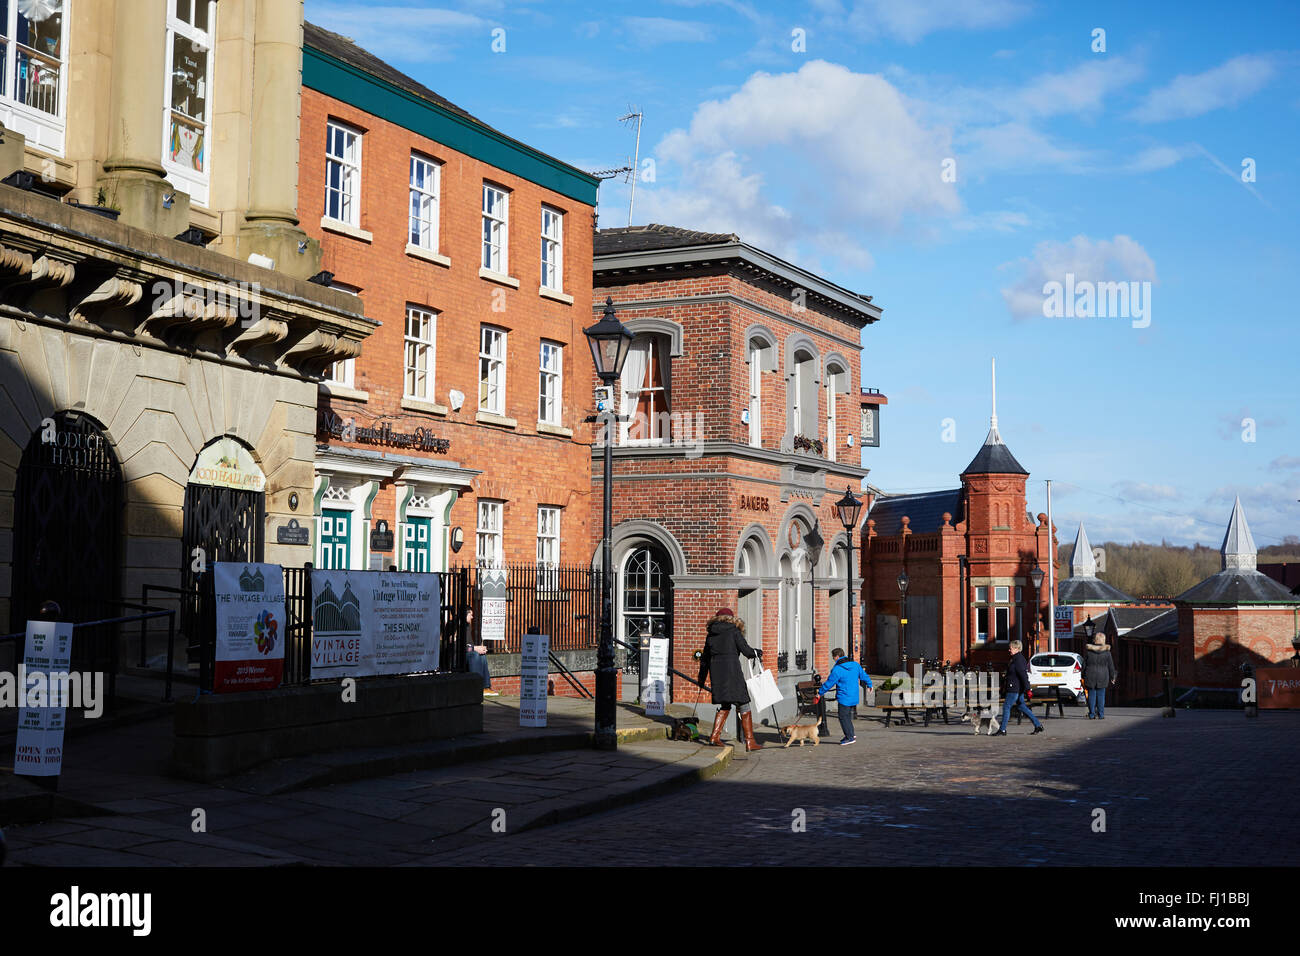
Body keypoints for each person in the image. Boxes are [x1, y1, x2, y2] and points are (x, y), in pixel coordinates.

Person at [697, 607, 764, 751]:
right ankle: (750, 741)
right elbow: (746, 651)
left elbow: (705, 659)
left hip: (717, 674)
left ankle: (714, 736)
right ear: (731, 618)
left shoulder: (711, 634)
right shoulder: (734, 631)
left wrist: (701, 678)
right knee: (744, 703)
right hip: (732, 672)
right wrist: (757, 652)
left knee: (725, 704)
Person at [815, 649, 873, 745]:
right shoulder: (855, 665)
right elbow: (864, 676)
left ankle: (849, 737)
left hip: (844, 696)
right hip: (854, 695)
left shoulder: (837, 669)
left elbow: (829, 683)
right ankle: (851, 734)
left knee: (842, 716)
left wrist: (820, 692)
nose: (833, 659)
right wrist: (870, 685)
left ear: (837, 656)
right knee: (846, 716)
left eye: (833, 657)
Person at [997, 639, 1044, 735]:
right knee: (1022, 706)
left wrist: (1028, 689)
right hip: (1017, 687)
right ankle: (1038, 725)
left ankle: (1002, 729)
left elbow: (1023, 674)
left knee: (1006, 706)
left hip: (1014, 688)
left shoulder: (1018, 660)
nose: (1009, 650)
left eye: (1010, 648)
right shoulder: (1016, 658)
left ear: (1016, 648)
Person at [462, 607, 497, 697]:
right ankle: (477, 687)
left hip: (467, 653)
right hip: (457, 657)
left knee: (482, 655)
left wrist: (479, 648)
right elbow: (458, 647)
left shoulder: (467, 626)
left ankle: (486, 687)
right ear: (465, 614)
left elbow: (469, 645)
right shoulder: (456, 627)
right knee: (475, 655)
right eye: (471, 615)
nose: (472, 617)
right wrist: (475, 649)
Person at [1084, 635, 1117, 719]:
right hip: (1103, 676)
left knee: (1091, 695)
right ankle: (1101, 714)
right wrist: (1113, 676)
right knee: (1101, 695)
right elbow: (1111, 666)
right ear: (1103, 640)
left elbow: (1084, 665)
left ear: (1095, 640)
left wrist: (1082, 675)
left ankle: (1091, 714)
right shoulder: (1107, 653)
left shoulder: (1089, 652)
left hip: (1090, 675)